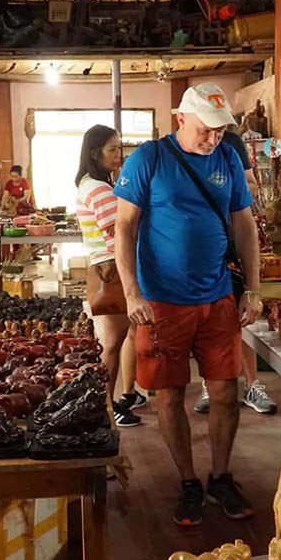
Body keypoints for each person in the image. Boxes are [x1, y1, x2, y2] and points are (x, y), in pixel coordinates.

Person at [114, 83, 262, 527]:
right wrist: (131, 292)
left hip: (217, 298)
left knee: (225, 391)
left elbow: (245, 227)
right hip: (161, 303)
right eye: (205, 129)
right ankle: (188, 483)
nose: (213, 138)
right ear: (181, 119)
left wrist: (252, 288)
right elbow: (124, 229)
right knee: (168, 394)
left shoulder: (228, 160)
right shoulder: (148, 159)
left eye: (220, 131)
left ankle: (220, 476)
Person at [194, 128, 277, 416]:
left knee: (240, 315)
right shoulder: (184, 147)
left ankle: (252, 384)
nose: (211, 136)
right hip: (203, 245)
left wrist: (227, 185)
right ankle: (209, 383)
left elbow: (252, 186)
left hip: (233, 238)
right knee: (207, 318)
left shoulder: (231, 144)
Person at [75, 125, 144, 428]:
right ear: (94, 153)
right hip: (112, 271)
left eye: (120, 148)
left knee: (120, 339)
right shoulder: (98, 189)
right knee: (112, 345)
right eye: (112, 150)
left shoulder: (94, 184)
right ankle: (107, 407)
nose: (119, 156)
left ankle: (116, 399)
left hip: (106, 268)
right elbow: (120, 232)